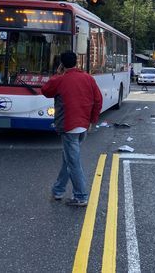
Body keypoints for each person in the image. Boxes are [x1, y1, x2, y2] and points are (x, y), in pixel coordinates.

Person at [41, 51, 103, 207]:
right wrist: (92, 121)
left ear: (61, 64)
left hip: (69, 127)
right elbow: (98, 100)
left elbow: (45, 90)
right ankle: (58, 190)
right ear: (77, 62)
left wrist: (57, 74)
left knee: (73, 163)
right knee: (68, 159)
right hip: (83, 127)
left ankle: (81, 196)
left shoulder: (60, 80)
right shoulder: (88, 78)